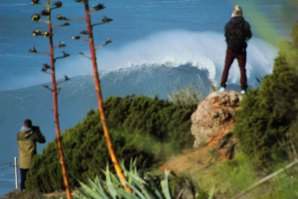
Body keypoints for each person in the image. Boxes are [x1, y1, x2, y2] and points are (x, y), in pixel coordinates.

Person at [219, 5, 252, 94]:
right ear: (241, 14)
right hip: (241, 50)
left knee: (226, 67)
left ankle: (222, 86)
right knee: (242, 69)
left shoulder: (228, 24)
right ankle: (243, 89)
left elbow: (226, 35)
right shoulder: (245, 24)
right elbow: (249, 35)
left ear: (233, 13)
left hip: (230, 50)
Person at [16, 119, 46, 190]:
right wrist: (37, 131)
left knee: (23, 180)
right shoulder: (34, 135)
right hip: (32, 161)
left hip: (22, 162)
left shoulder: (18, 135)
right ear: (30, 127)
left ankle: (23, 194)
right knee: (34, 179)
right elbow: (42, 140)